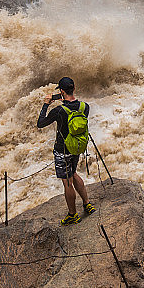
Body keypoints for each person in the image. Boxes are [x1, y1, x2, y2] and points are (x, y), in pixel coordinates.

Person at [38, 76, 96, 225]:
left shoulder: (58, 111)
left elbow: (40, 123)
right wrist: (64, 98)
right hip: (77, 147)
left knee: (67, 182)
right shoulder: (85, 107)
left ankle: (72, 214)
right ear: (74, 89)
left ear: (62, 91)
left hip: (62, 150)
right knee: (74, 173)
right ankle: (87, 203)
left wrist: (46, 104)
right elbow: (73, 109)